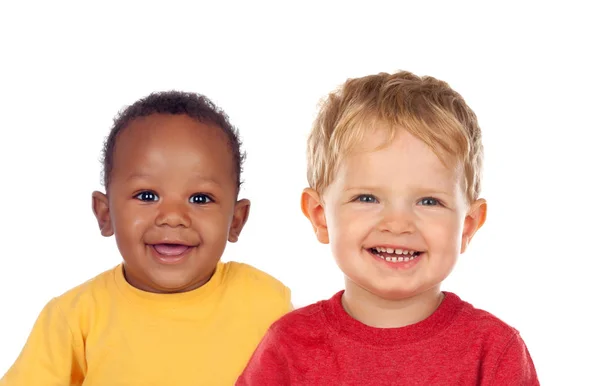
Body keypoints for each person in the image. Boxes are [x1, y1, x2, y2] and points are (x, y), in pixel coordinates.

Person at [237, 71, 539, 385]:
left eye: (429, 201)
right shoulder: (288, 346)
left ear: (468, 225)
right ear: (320, 215)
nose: (397, 224)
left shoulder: (494, 351)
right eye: (367, 198)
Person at [1, 91, 292, 386]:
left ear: (236, 220)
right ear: (105, 214)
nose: (173, 216)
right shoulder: (74, 318)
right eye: (147, 195)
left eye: (200, 198)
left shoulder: (265, 302)